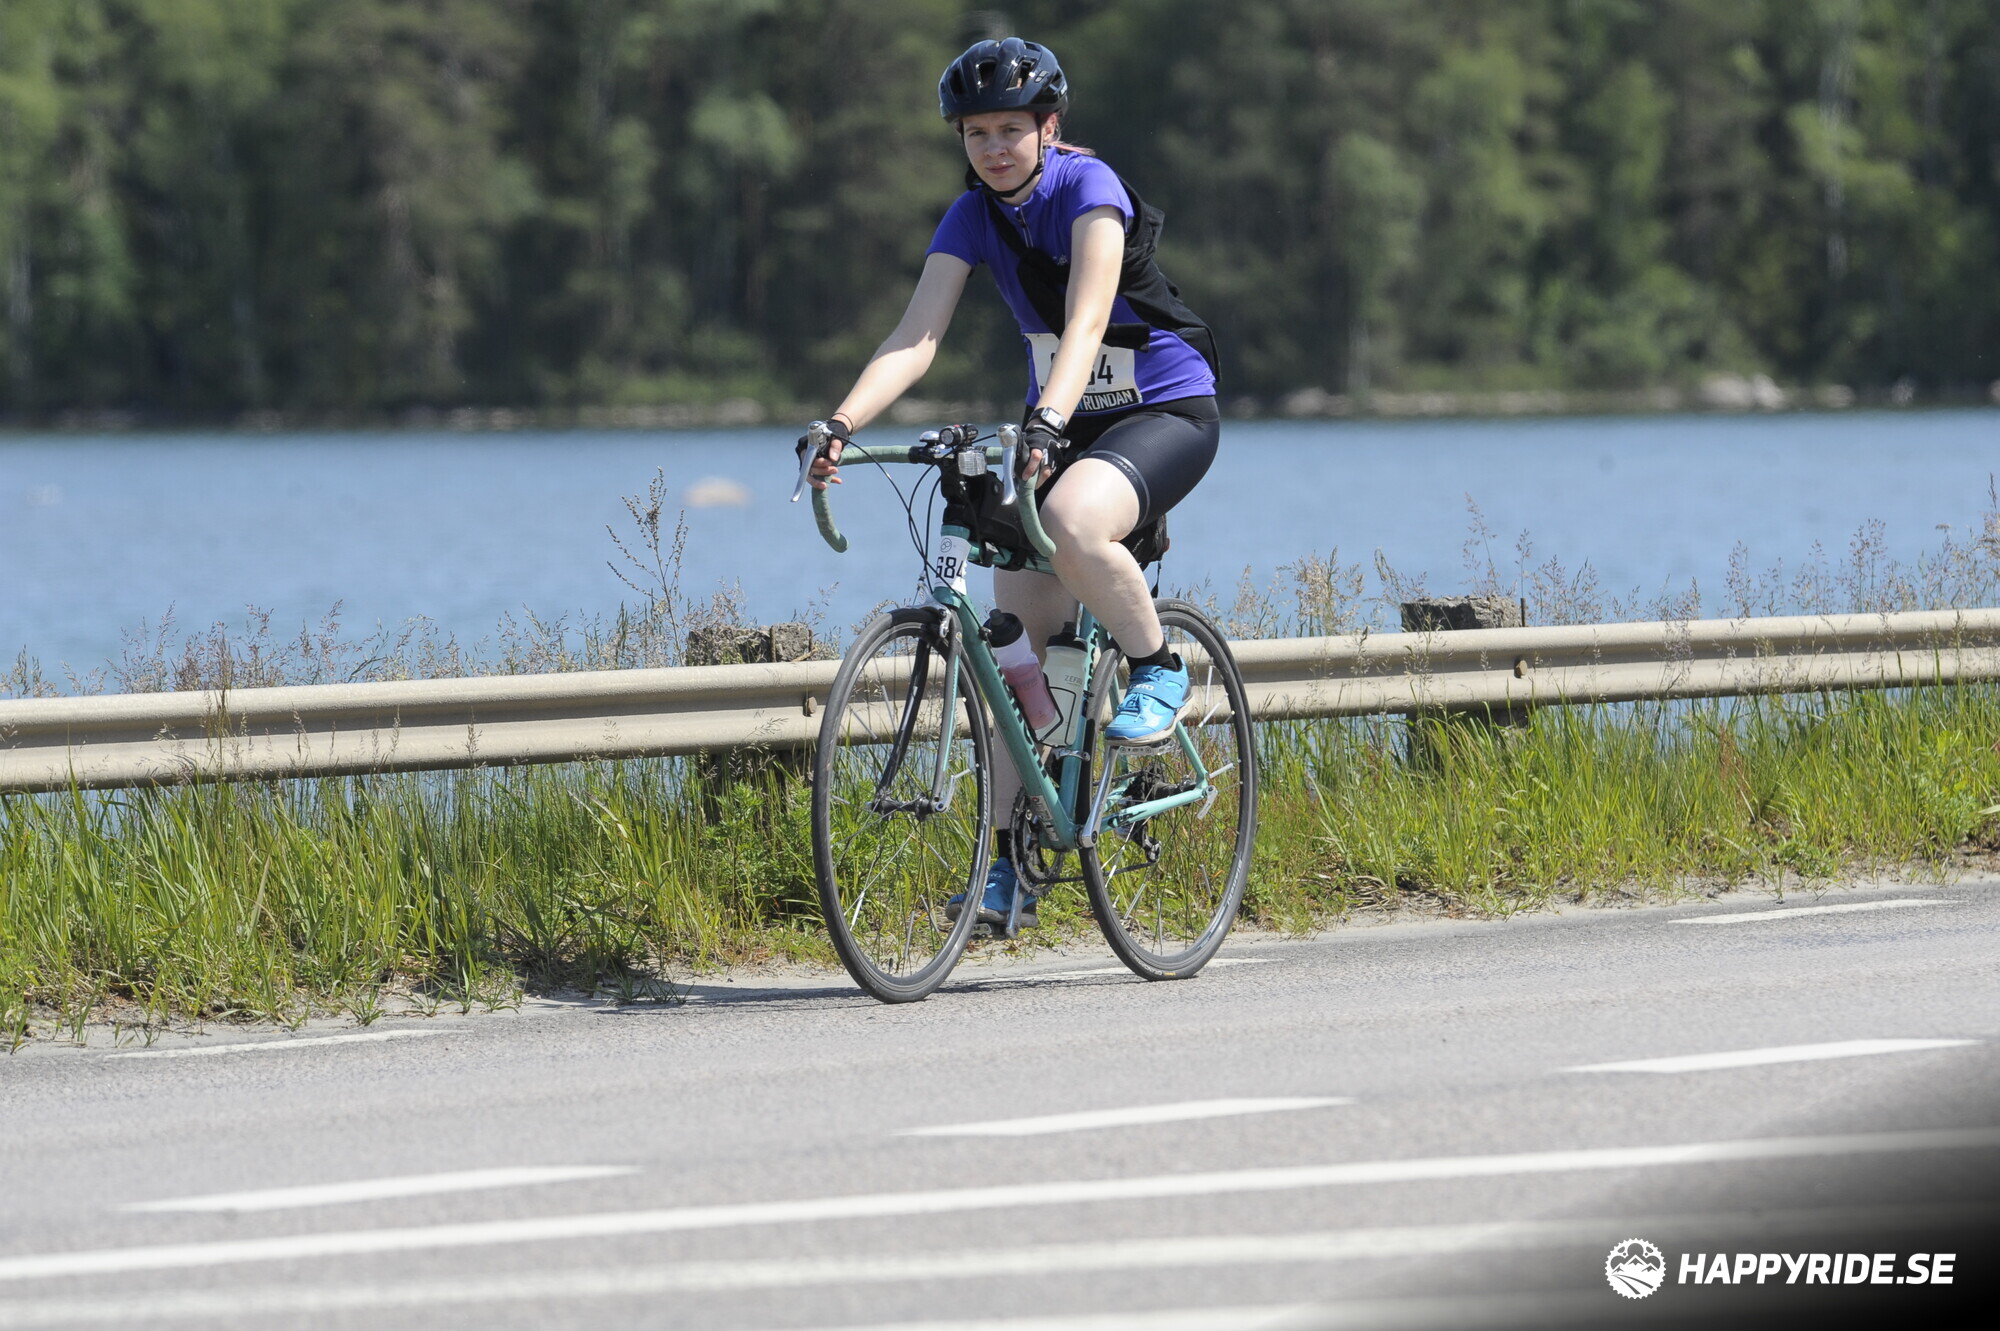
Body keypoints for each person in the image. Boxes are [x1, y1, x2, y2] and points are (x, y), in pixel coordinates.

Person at [806, 37, 1221, 930]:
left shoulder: (1089, 188)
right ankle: (1008, 863)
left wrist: (1048, 423)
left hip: (1163, 410)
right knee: (1012, 656)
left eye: (1010, 130)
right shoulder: (971, 217)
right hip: (1058, 420)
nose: (993, 148)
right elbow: (916, 337)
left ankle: (1158, 667)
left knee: (1072, 518)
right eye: (976, 133)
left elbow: (1088, 318)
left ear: (1048, 127)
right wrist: (841, 423)